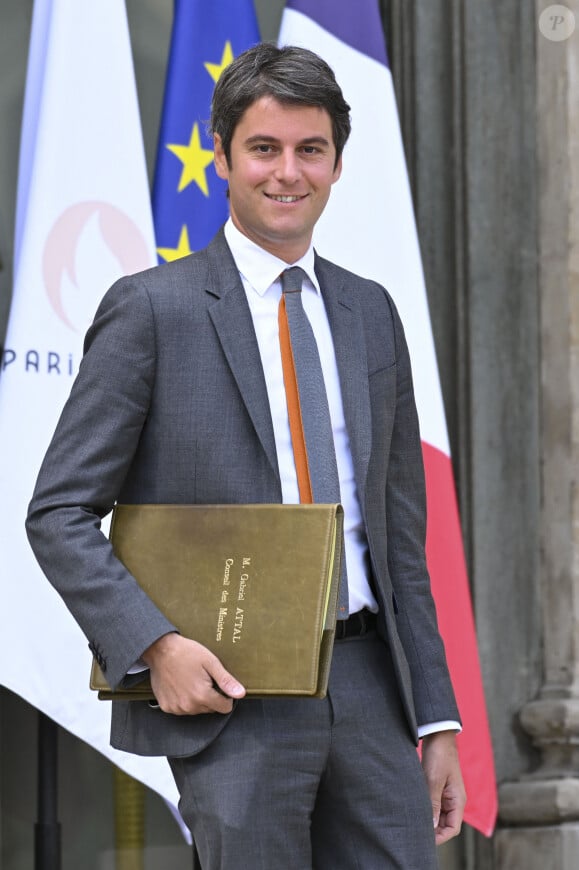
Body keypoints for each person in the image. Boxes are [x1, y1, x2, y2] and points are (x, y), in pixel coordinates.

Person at [26, 43, 466, 870]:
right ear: (223, 155)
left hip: (373, 687)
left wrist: (436, 719)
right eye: (264, 149)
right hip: (233, 694)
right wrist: (156, 647)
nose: (287, 173)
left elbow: (402, 540)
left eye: (311, 150)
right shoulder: (152, 311)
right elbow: (58, 514)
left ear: (338, 163)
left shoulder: (372, 316)